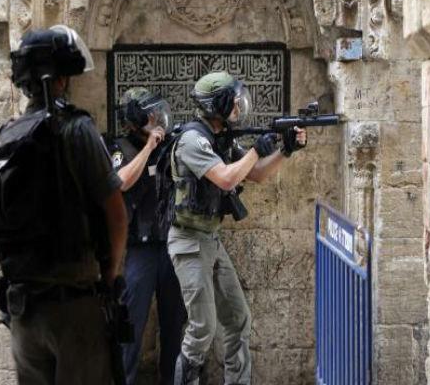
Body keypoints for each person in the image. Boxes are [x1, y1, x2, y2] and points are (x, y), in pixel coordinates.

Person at [0, 25, 127, 384]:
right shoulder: (77, 129)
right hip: (73, 306)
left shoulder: (6, 136)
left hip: (22, 310)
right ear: (61, 78)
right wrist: (110, 276)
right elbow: (117, 215)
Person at [169, 71, 307, 385]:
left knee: (238, 318)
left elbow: (255, 174)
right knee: (202, 329)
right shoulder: (192, 140)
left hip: (210, 239)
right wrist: (256, 149)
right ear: (215, 105)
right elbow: (226, 178)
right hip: (189, 242)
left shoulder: (221, 138)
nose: (237, 107)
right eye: (231, 101)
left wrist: (285, 150)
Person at [107, 88, 186, 385]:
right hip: (140, 250)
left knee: (174, 324)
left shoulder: (169, 145)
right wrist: (148, 147)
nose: (156, 118)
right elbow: (121, 182)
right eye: (149, 115)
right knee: (131, 323)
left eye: (156, 113)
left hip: (171, 245)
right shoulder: (120, 147)